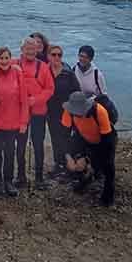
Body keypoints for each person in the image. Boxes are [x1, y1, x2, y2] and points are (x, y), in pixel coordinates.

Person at [0, 48, 28, 197]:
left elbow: (24, 100)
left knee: (10, 152)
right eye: (1, 58)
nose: (4, 61)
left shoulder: (17, 72)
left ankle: (8, 181)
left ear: (10, 58)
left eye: (6, 58)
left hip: (13, 122)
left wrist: (23, 123)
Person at [62, 91, 117, 207]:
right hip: (83, 136)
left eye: (79, 113)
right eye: (75, 113)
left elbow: (106, 143)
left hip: (104, 139)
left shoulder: (99, 111)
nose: (77, 115)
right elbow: (64, 136)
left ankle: (108, 196)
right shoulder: (69, 111)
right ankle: (84, 179)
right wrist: (69, 157)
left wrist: (87, 159)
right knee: (74, 160)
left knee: (107, 166)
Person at [16, 36, 54, 188]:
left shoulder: (43, 67)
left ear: (37, 50)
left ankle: (39, 177)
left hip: (38, 112)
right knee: (20, 145)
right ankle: (20, 176)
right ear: (22, 50)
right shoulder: (14, 65)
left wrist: (36, 100)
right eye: (27, 49)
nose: (30, 52)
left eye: (33, 49)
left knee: (38, 144)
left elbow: (50, 89)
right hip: (19, 113)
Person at [46, 44, 78, 176]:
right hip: (50, 111)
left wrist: (72, 109)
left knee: (65, 138)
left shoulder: (68, 72)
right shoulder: (45, 70)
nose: (56, 57)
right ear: (48, 56)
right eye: (53, 54)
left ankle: (67, 165)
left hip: (66, 111)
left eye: (59, 55)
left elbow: (77, 92)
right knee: (54, 138)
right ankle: (57, 164)